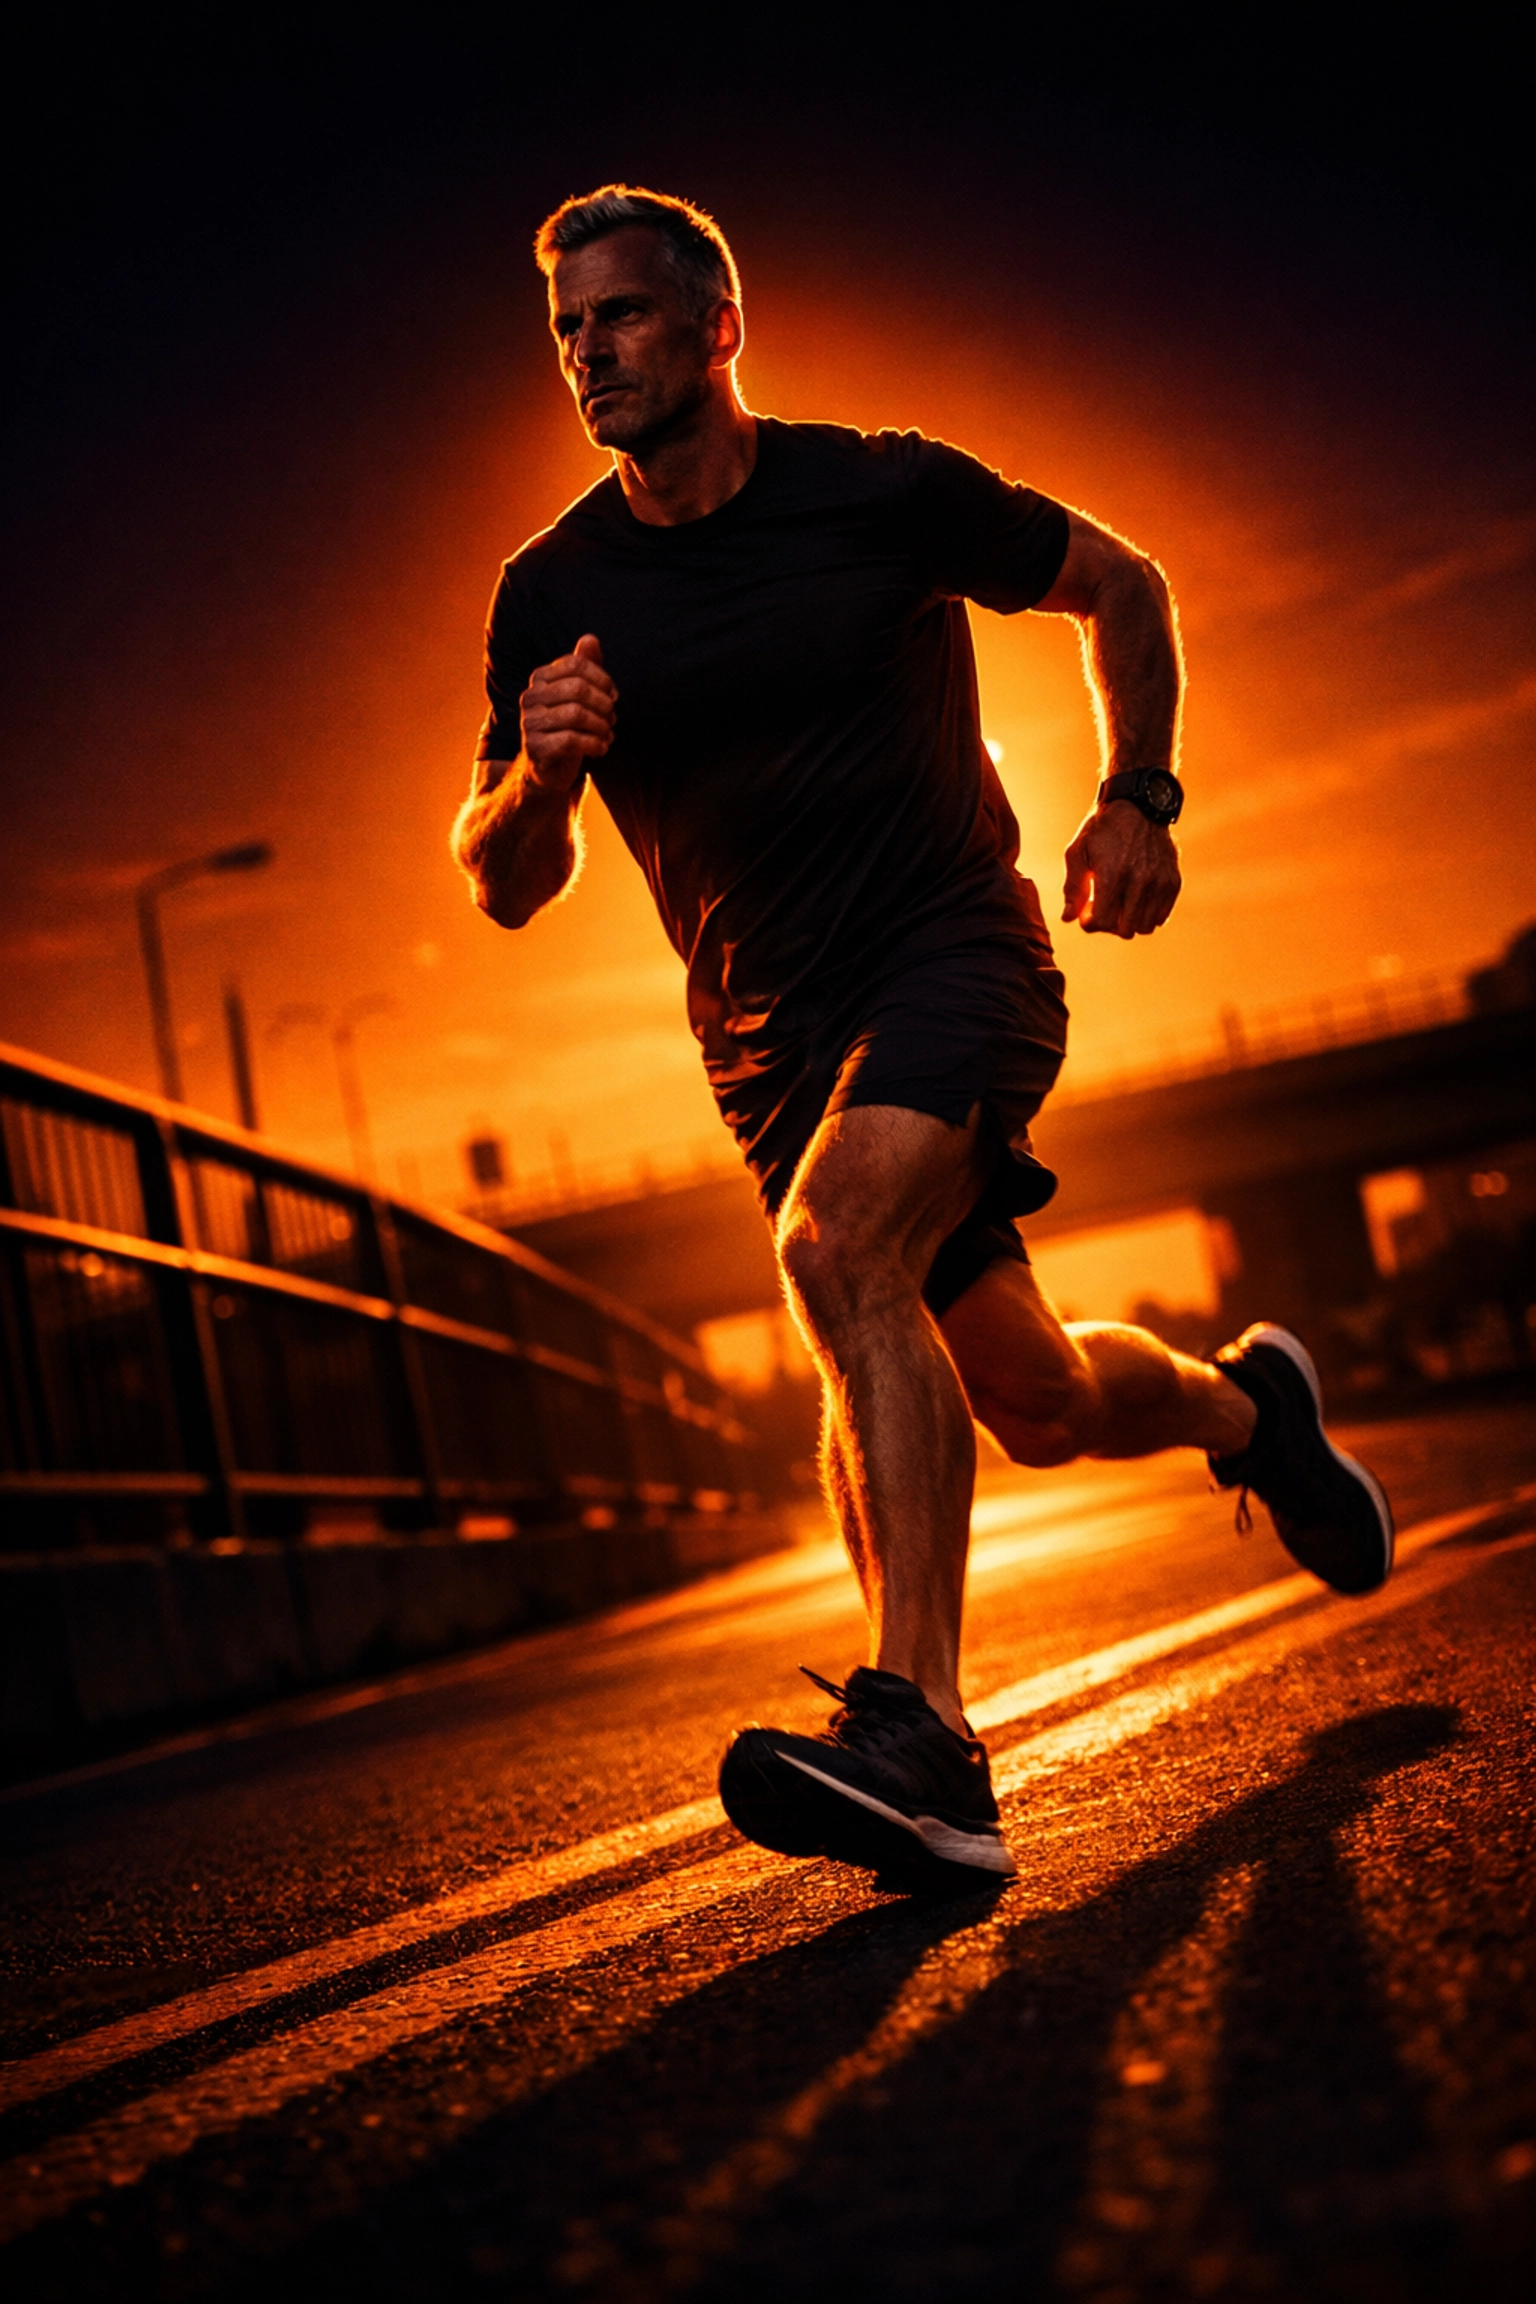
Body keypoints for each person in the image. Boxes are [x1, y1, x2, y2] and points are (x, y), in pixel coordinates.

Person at [452, 186, 1393, 1885]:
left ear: (719, 327)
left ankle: (925, 1739)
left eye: (625, 315)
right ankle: (1252, 1414)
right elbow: (504, 883)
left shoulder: (882, 489)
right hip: (769, 1049)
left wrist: (1139, 797)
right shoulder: (551, 591)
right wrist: (544, 777)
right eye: (568, 328)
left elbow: (1123, 584)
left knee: (835, 1248)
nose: (590, 351)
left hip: (955, 951)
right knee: (1033, 1395)